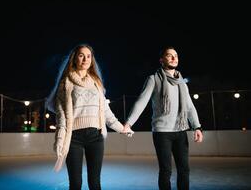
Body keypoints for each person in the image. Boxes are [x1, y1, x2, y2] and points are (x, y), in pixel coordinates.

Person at [46, 44, 134, 190]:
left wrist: (121, 128)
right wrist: (60, 140)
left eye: (88, 56)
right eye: (81, 55)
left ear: (92, 59)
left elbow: (106, 112)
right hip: (73, 138)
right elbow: (61, 117)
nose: (85, 59)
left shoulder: (96, 83)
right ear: (74, 58)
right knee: (75, 184)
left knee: (95, 183)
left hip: (96, 137)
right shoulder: (66, 83)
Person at [124, 46, 203, 190]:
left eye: (176, 56)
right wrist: (129, 122)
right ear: (161, 60)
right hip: (162, 132)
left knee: (184, 170)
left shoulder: (182, 83)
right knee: (166, 171)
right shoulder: (153, 79)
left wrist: (197, 126)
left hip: (181, 130)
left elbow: (190, 106)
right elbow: (141, 102)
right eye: (169, 55)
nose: (174, 58)